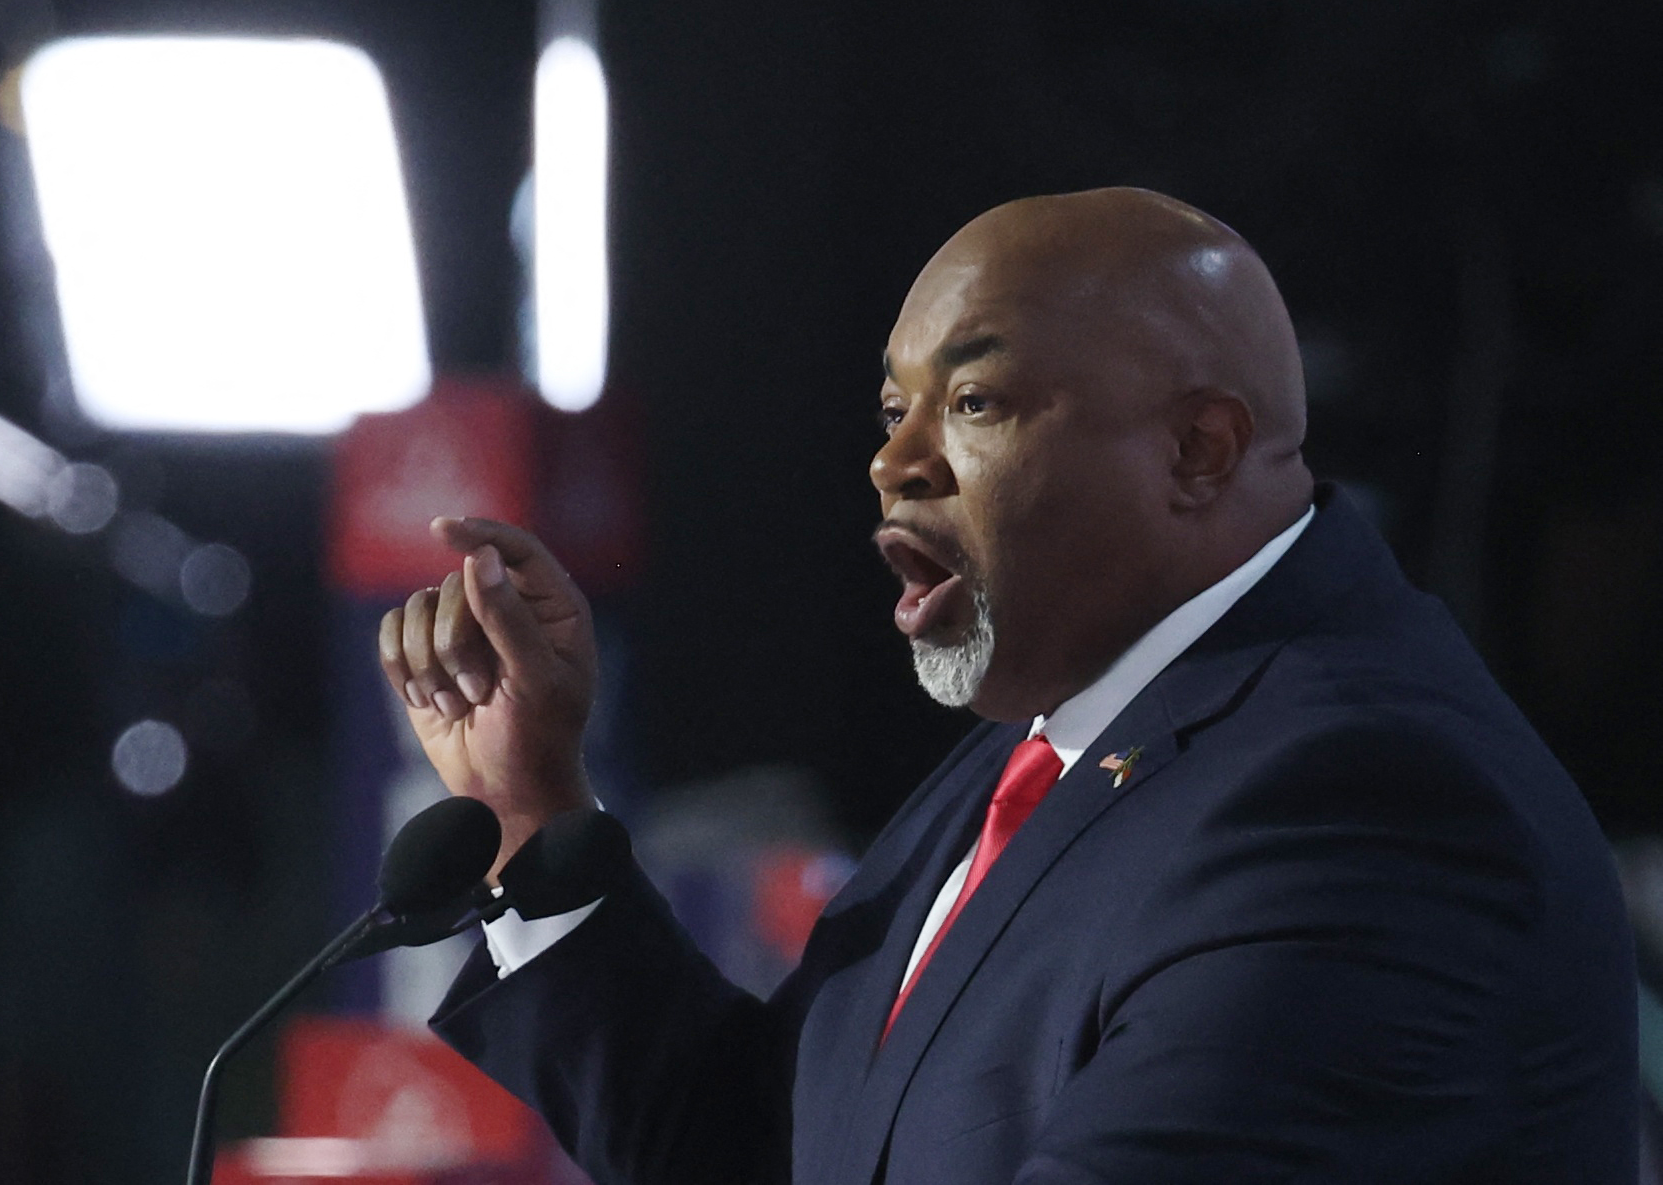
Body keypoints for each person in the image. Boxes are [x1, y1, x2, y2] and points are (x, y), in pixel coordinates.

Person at [377, 188, 1638, 1183]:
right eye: (892, 407)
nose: (893, 461)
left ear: (1198, 451)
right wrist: (532, 809)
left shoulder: (1363, 800)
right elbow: (765, 1150)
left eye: (972, 400)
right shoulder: (1052, 741)